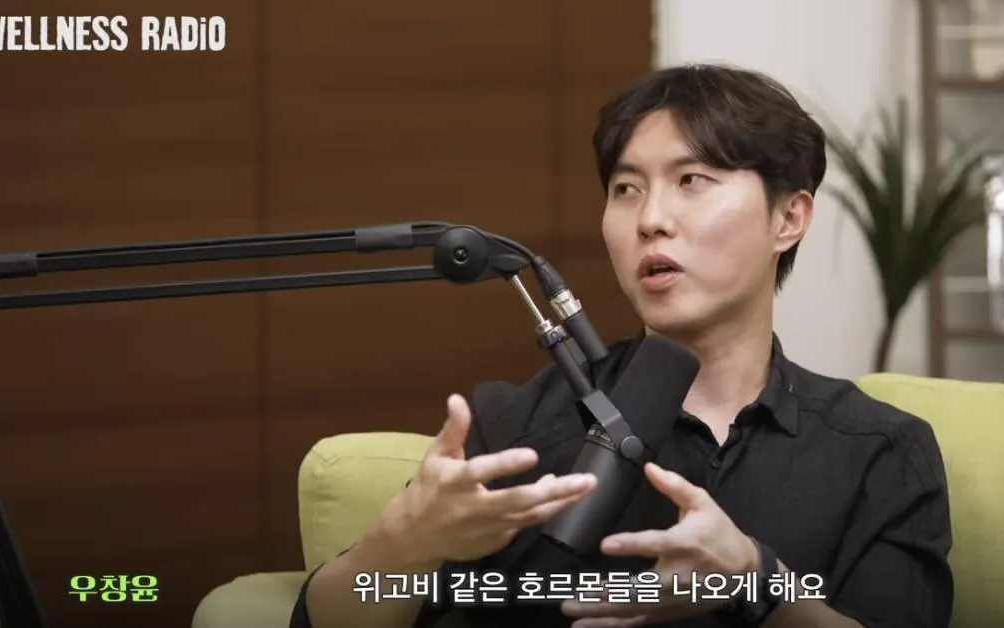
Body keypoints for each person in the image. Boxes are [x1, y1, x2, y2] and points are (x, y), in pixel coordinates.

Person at [291, 64, 953, 628]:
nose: (651, 220)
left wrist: (756, 581)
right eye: (626, 189)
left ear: (789, 217)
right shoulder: (513, 430)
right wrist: (401, 545)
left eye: (692, 180)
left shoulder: (879, 452)